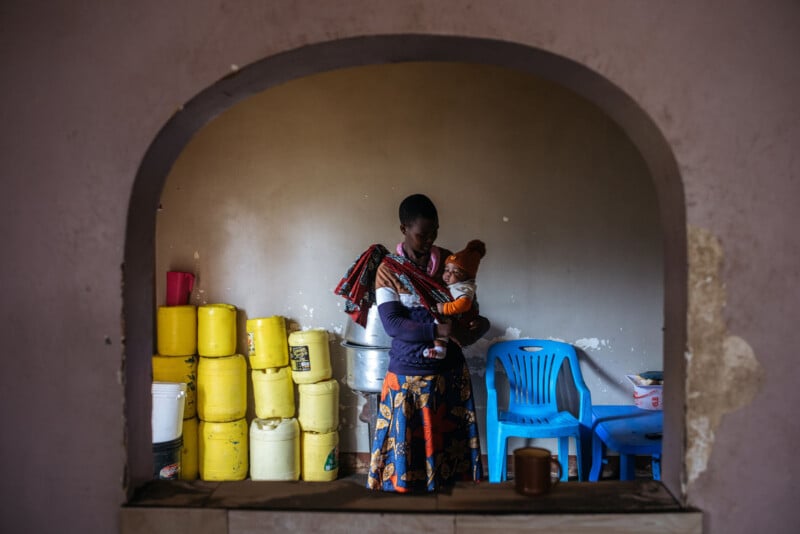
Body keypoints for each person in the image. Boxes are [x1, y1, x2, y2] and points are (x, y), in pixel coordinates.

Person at [351, 193, 488, 493]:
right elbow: (394, 325)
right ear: (404, 229)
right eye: (421, 234)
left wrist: (475, 327)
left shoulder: (449, 264)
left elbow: (468, 310)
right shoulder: (389, 271)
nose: (429, 240)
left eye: (434, 232)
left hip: (448, 379)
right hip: (406, 384)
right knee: (405, 470)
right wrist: (439, 330)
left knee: (447, 471)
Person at [428, 239, 486, 359]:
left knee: (440, 320)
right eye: (447, 270)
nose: (449, 274)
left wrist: (445, 308)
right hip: (459, 319)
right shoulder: (455, 284)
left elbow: (464, 304)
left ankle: (440, 349)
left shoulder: (464, 287)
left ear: (466, 276)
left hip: (463, 318)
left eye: (455, 272)